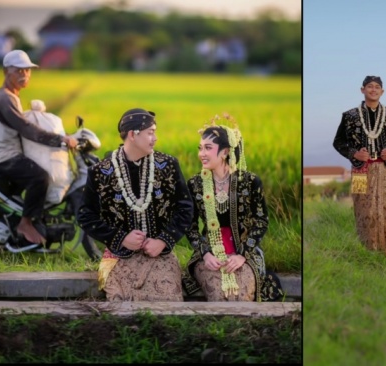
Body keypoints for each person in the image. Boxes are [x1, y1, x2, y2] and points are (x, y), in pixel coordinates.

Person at [77, 108, 193, 301]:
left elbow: (186, 208)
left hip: (159, 254)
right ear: (132, 134)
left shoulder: (168, 165)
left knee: (167, 301)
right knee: (121, 304)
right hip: (119, 256)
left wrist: (163, 240)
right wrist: (120, 238)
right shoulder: (100, 172)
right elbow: (85, 215)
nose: (155, 138)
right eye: (150, 132)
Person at [182, 114, 283, 302]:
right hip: (210, 252)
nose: (201, 153)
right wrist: (205, 253)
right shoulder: (195, 183)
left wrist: (242, 255)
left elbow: (261, 221)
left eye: (208, 148)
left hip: (244, 250)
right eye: (200, 148)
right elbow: (190, 225)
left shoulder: (249, 182)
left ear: (225, 151)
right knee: (218, 292)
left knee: (243, 291)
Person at [0, 50, 77, 251]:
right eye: (18, 70)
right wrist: (59, 139)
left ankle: (24, 219)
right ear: (5, 72)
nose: (24, 75)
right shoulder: (4, 98)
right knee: (40, 177)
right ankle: (26, 223)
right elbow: (26, 129)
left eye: (27, 70)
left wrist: (59, 132)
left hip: (9, 153)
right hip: (2, 156)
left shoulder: (11, 96)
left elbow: (25, 123)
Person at [332, 76, 386, 255]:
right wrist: (354, 154)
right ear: (362, 90)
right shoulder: (349, 116)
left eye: (377, 87)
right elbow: (338, 142)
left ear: (382, 92)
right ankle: (365, 251)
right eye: (370, 87)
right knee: (362, 208)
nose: (373, 90)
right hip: (359, 169)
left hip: (385, 169)